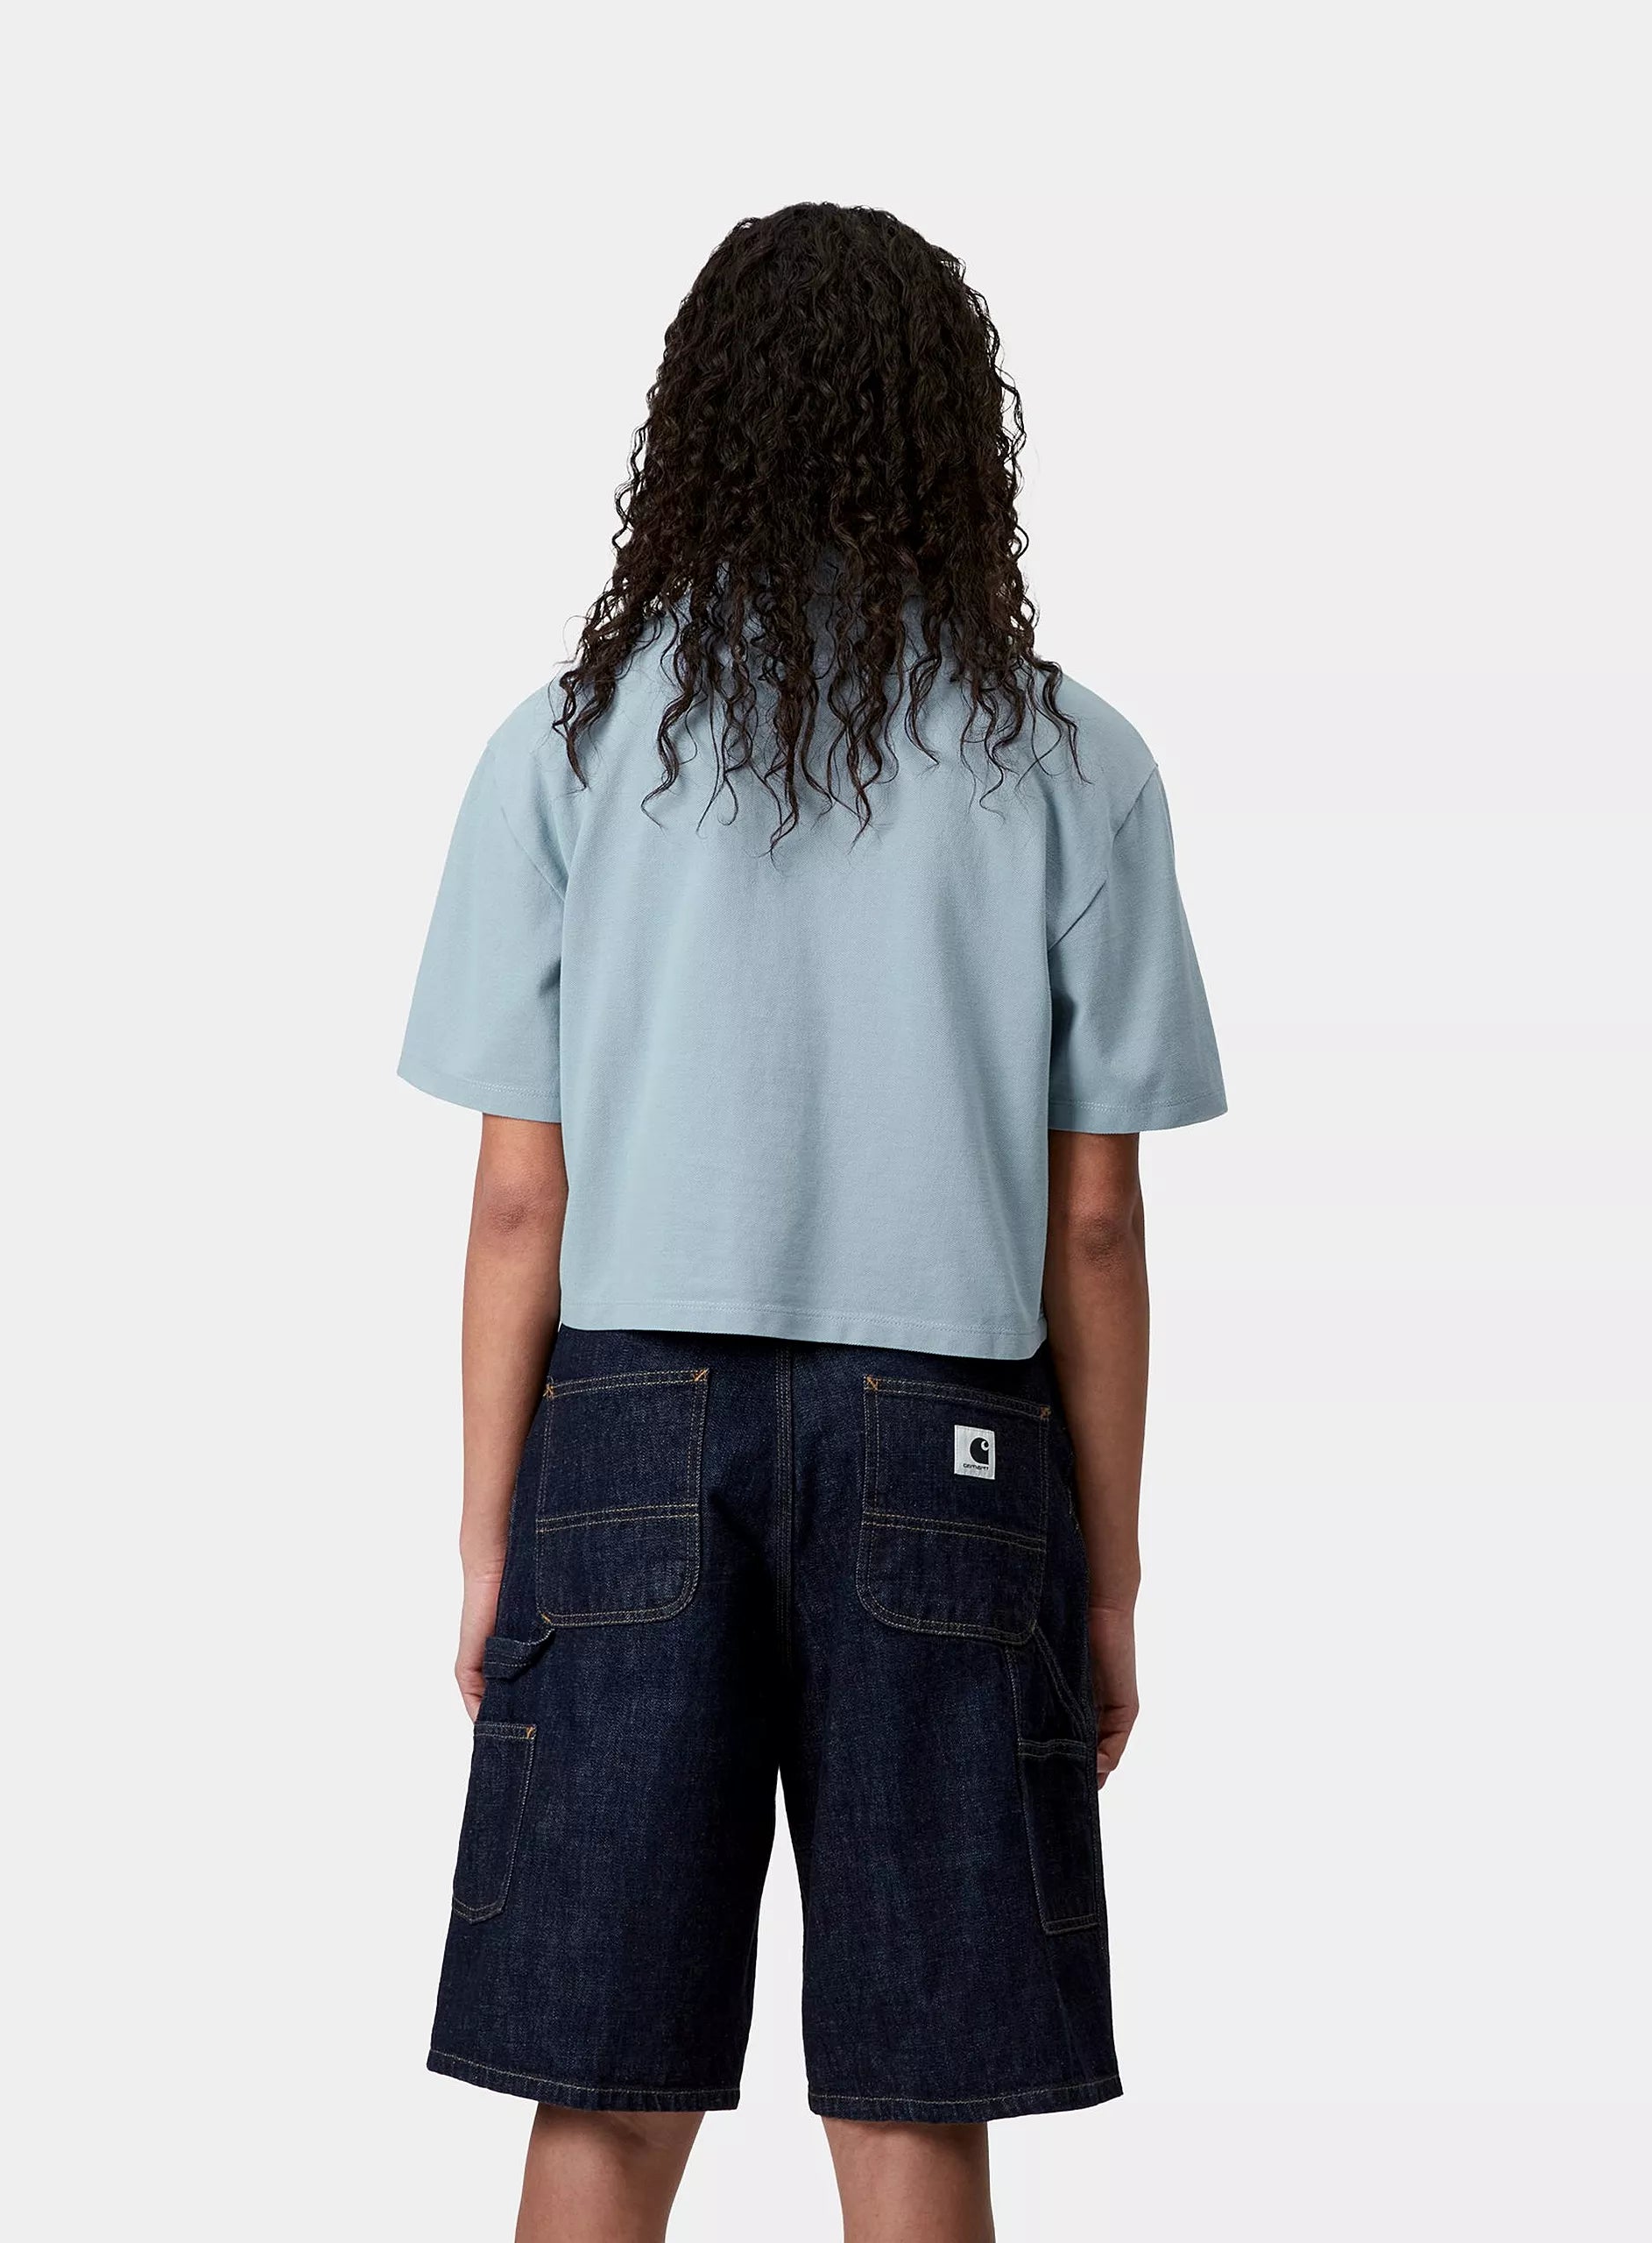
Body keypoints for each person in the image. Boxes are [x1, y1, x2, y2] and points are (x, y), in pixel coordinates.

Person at [399, 202, 1225, 2243]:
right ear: (955, 434)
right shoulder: (1071, 760)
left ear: (695, 424)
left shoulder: (567, 744)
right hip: (951, 1444)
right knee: (913, 2094)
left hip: (625, 1427)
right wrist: (1105, 1569)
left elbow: (519, 1195)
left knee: (603, 2091)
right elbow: (1092, 1222)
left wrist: (495, 1532)